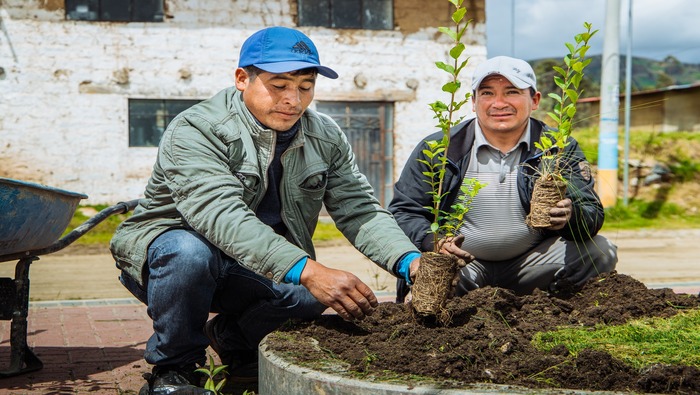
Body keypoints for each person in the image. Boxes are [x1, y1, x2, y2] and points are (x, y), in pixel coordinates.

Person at [110, 26, 421, 395]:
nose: (293, 99)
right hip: (171, 264)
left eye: (305, 86)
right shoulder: (197, 128)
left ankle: (234, 340)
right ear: (243, 79)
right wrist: (308, 269)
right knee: (189, 252)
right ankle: (173, 371)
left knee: (309, 295)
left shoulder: (324, 136)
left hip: (253, 267)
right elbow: (219, 215)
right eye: (279, 84)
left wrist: (410, 261)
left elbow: (360, 210)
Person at [390, 56, 617, 303]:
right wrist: (432, 241)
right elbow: (404, 211)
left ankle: (556, 311)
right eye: (487, 93)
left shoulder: (558, 148)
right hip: (462, 268)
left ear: (535, 100)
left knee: (599, 251)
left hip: (532, 265)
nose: (499, 103)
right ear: (473, 101)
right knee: (434, 276)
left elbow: (591, 211)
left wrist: (571, 217)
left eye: (512, 92)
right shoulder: (440, 149)